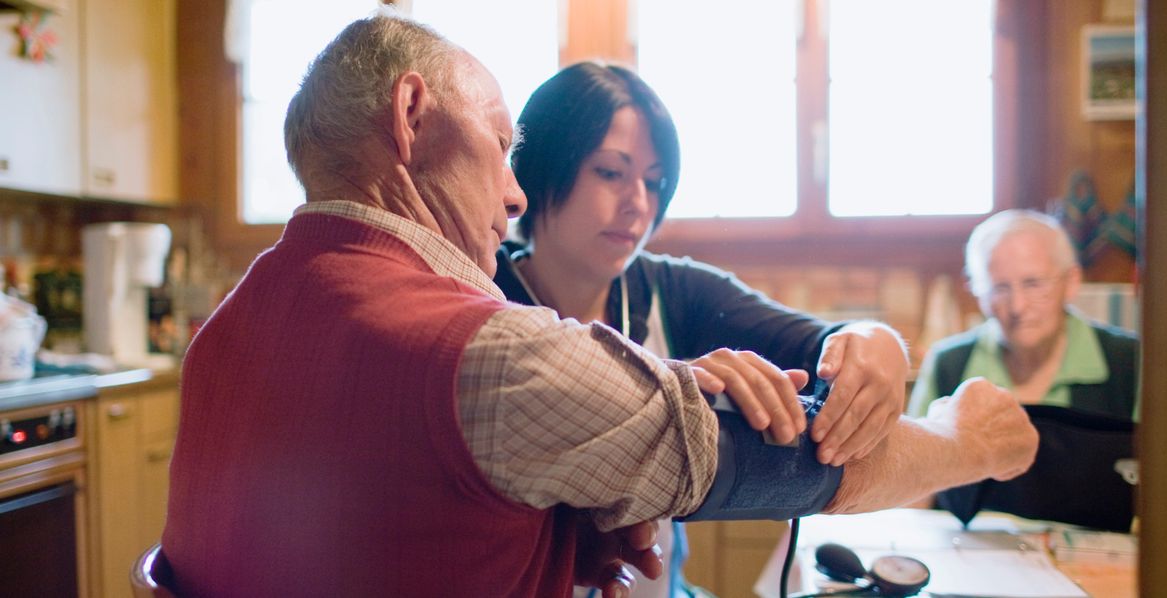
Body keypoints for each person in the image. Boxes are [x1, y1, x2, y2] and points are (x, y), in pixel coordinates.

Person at [162, 10, 1038, 597]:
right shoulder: (489, 354)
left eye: (653, 182)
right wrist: (968, 439)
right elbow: (794, 466)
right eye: (504, 146)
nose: (511, 192)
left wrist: (564, 526)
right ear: (411, 114)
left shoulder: (228, 332)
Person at [494, 61, 912, 597]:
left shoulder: (675, 289)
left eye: (654, 181)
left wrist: (877, 345)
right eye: (610, 172)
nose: (638, 204)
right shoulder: (482, 285)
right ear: (542, 165)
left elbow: (820, 343)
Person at [908, 209, 1138, 420]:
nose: (1017, 307)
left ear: (1071, 282)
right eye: (1000, 288)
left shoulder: (1129, 362)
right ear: (979, 294)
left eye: (1033, 284)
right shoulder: (947, 365)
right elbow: (916, 461)